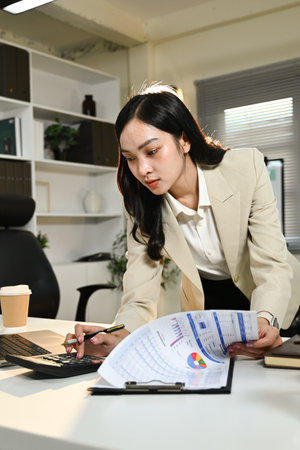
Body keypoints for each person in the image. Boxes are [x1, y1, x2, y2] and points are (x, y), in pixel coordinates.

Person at [66, 85, 300, 360]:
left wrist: (266, 319)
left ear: (185, 140)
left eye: (152, 151)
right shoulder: (142, 203)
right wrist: (117, 333)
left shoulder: (246, 168)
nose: (142, 170)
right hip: (212, 305)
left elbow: (271, 264)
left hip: (278, 300)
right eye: (130, 158)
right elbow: (140, 295)